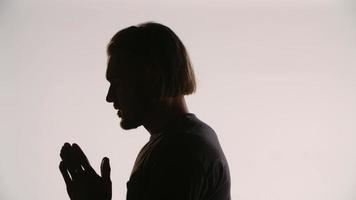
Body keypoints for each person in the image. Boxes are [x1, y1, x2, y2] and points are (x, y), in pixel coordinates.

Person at [59, 22, 231, 200]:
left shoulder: (179, 152)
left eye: (117, 83)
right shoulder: (182, 142)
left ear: (152, 78)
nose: (109, 97)